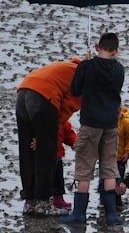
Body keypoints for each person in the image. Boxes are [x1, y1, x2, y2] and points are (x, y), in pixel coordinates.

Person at [61, 32, 125, 226]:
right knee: (109, 167)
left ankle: (79, 214)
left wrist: (86, 66)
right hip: (111, 123)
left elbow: (75, 90)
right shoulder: (119, 69)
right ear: (116, 51)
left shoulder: (87, 66)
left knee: (85, 166)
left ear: (97, 47)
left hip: (90, 123)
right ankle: (111, 215)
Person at [15, 58, 81, 216]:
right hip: (42, 97)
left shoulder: (65, 67)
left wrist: (40, 133)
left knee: (27, 150)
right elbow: (66, 108)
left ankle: (29, 201)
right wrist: (47, 133)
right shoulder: (83, 78)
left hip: (23, 93)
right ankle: (43, 203)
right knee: (47, 152)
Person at [52, 121, 77, 209]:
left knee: (54, 178)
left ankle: (52, 199)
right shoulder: (61, 119)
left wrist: (73, 142)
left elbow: (67, 133)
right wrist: (74, 142)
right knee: (57, 178)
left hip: (51, 153)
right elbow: (68, 133)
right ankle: (57, 199)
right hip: (55, 153)